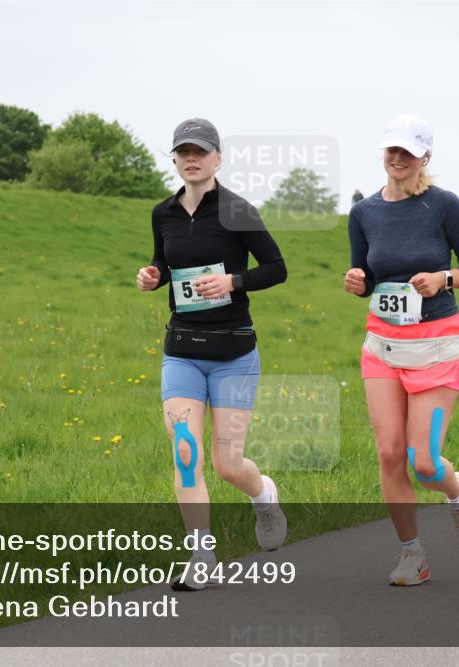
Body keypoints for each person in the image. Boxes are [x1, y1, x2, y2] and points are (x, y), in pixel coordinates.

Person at [136, 118, 289, 591]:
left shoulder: (238, 211)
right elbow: (166, 262)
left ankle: (263, 495)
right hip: (182, 349)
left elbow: (277, 269)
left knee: (227, 463)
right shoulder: (163, 213)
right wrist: (153, 275)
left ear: (217, 158)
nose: (191, 158)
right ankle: (202, 554)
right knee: (186, 453)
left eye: (199, 151)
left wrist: (232, 281)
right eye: (182, 152)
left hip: (233, 352)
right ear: (176, 159)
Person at [344, 114, 459, 586]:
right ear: (383, 154)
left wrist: (444, 278)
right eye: (391, 150)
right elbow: (365, 275)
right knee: (388, 455)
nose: (397, 158)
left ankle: (458, 492)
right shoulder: (363, 213)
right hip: (382, 346)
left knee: (423, 462)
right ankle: (413, 555)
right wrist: (357, 281)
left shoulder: (443, 205)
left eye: (407, 151)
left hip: (438, 347)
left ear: (425, 156)